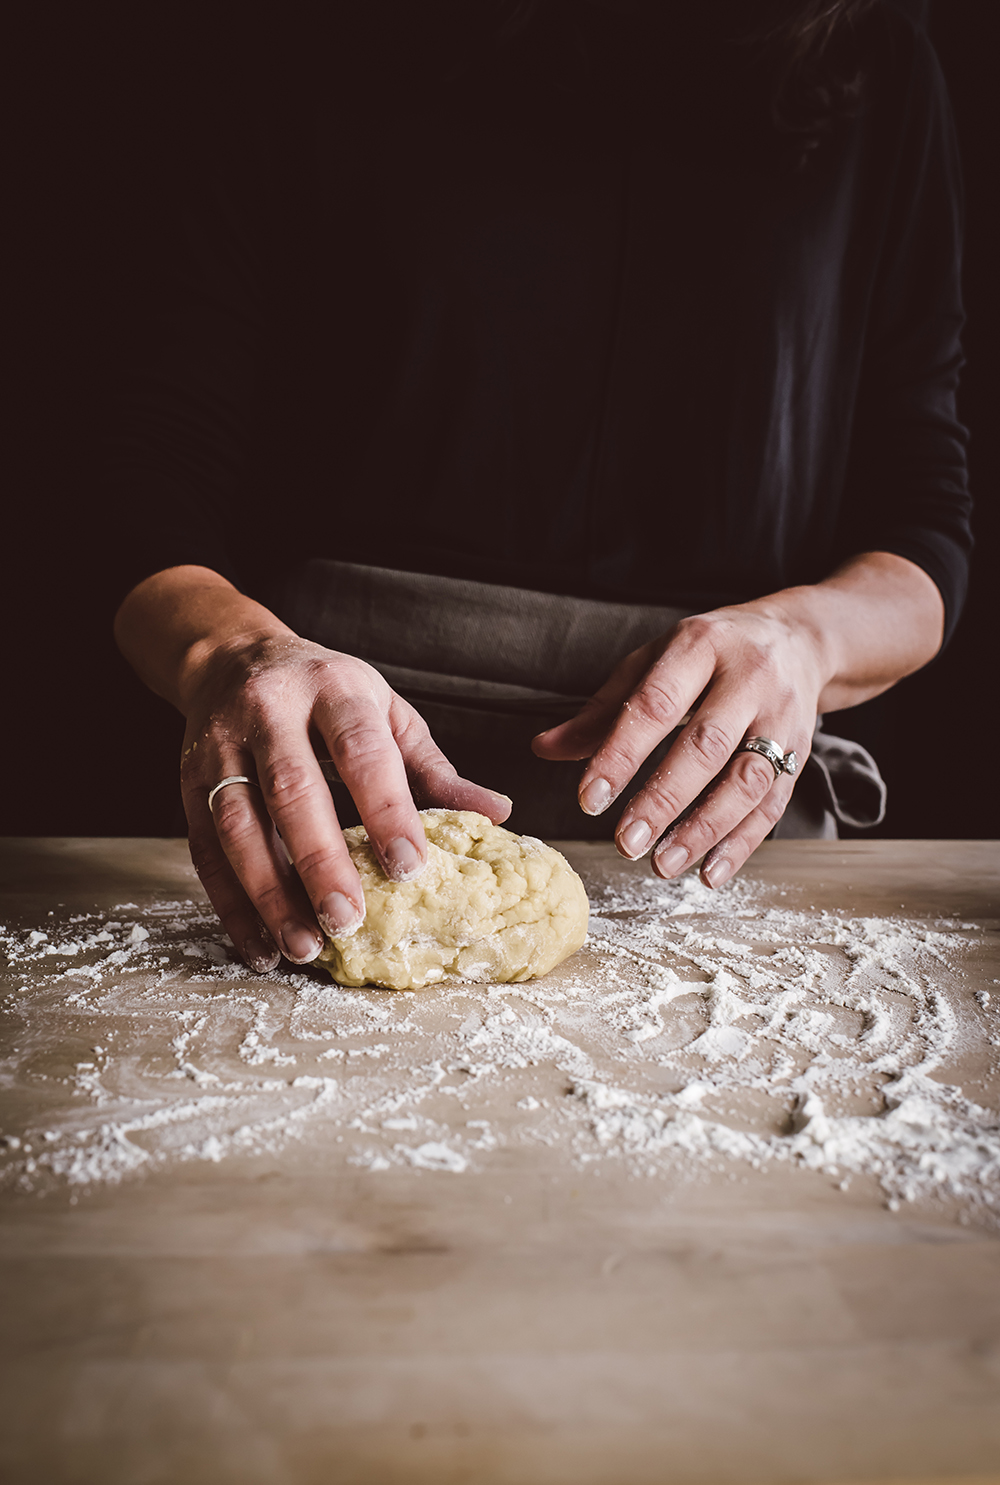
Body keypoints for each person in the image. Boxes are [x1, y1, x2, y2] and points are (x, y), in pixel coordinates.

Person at [107, 1, 970, 974]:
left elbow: (924, 530)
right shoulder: (310, 30)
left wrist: (804, 642)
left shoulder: (869, 55)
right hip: (319, 789)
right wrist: (232, 651)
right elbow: (148, 474)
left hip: (720, 836)